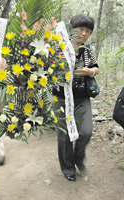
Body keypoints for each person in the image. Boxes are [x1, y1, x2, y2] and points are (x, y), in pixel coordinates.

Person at [53, 15, 99, 182]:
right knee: (64, 136)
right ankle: (67, 167)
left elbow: (96, 67)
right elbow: (48, 68)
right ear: (71, 30)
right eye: (81, 29)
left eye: (88, 31)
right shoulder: (59, 48)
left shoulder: (87, 50)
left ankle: (78, 158)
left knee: (86, 132)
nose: (84, 33)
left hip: (82, 97)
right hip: (61, 98)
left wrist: (90, 72)